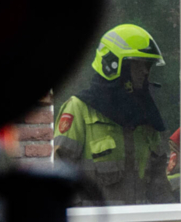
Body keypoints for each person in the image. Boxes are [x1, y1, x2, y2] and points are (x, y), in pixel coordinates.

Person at [53, 24, 174, 204]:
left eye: (147, 65)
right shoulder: (79, 110)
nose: (145, 71)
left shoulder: (146, 116)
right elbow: (61, 183)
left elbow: (159, 188)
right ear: (113, 64)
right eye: (138, 63)